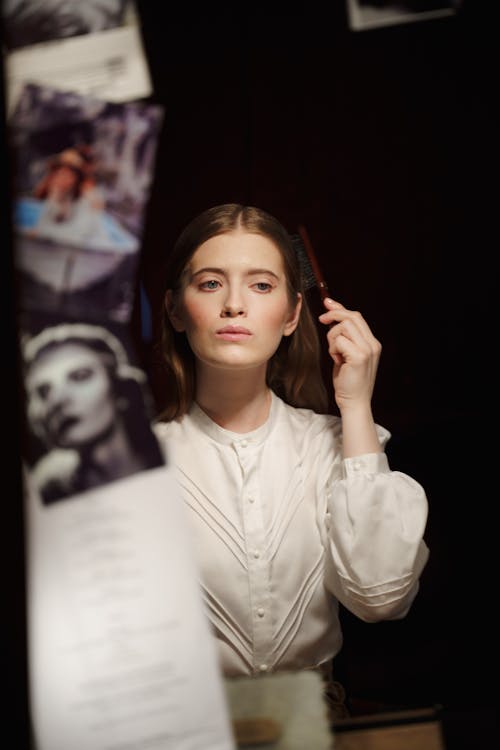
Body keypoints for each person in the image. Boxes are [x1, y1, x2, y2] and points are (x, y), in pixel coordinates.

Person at [152, 203, 429, 696]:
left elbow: (380, 597)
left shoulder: (331, 447)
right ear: (174, 308)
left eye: (261, 285)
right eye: (211, 283)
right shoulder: (135, 463)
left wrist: (356, 407)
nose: (234, 305)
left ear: (292, 313)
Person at [22, 322, 163, 505]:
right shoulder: (46, 488)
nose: (57, 400)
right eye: (44, 391)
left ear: (119, 391)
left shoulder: (173, 450)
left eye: (80, 376)